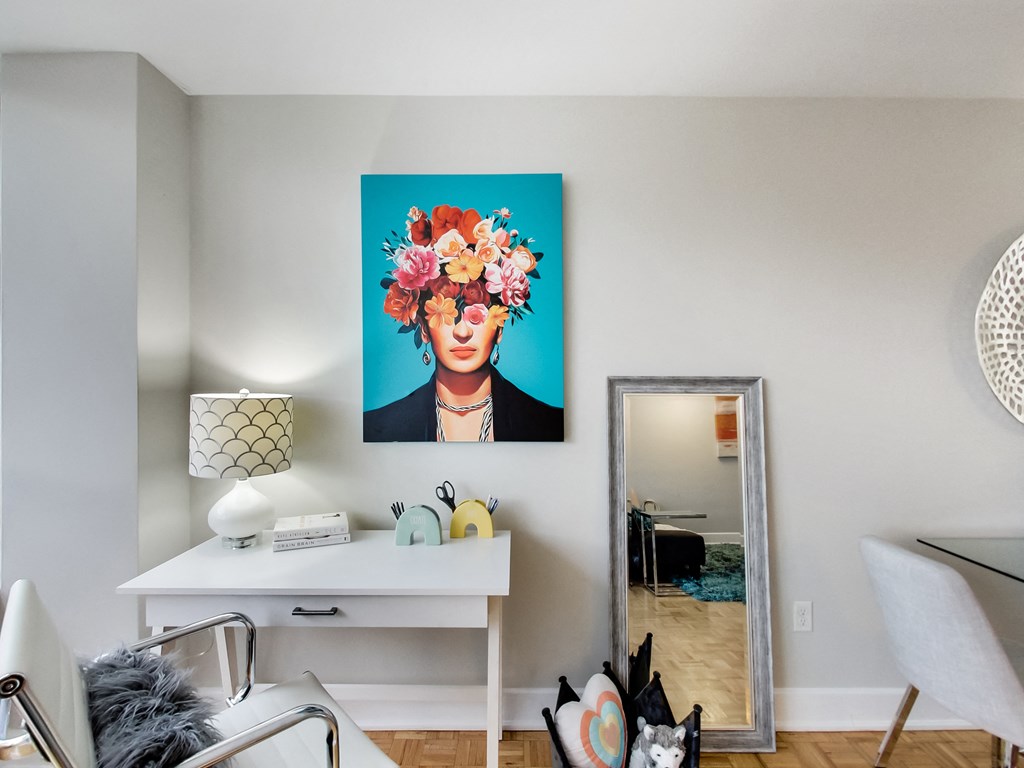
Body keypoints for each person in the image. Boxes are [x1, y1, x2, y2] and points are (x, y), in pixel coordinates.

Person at [364, 203, 563, 442]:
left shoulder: (549, 425)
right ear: (424, 328)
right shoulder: (376, 428)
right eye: (446, 314)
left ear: (499, 327)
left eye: (476, 314)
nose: (462, 331)